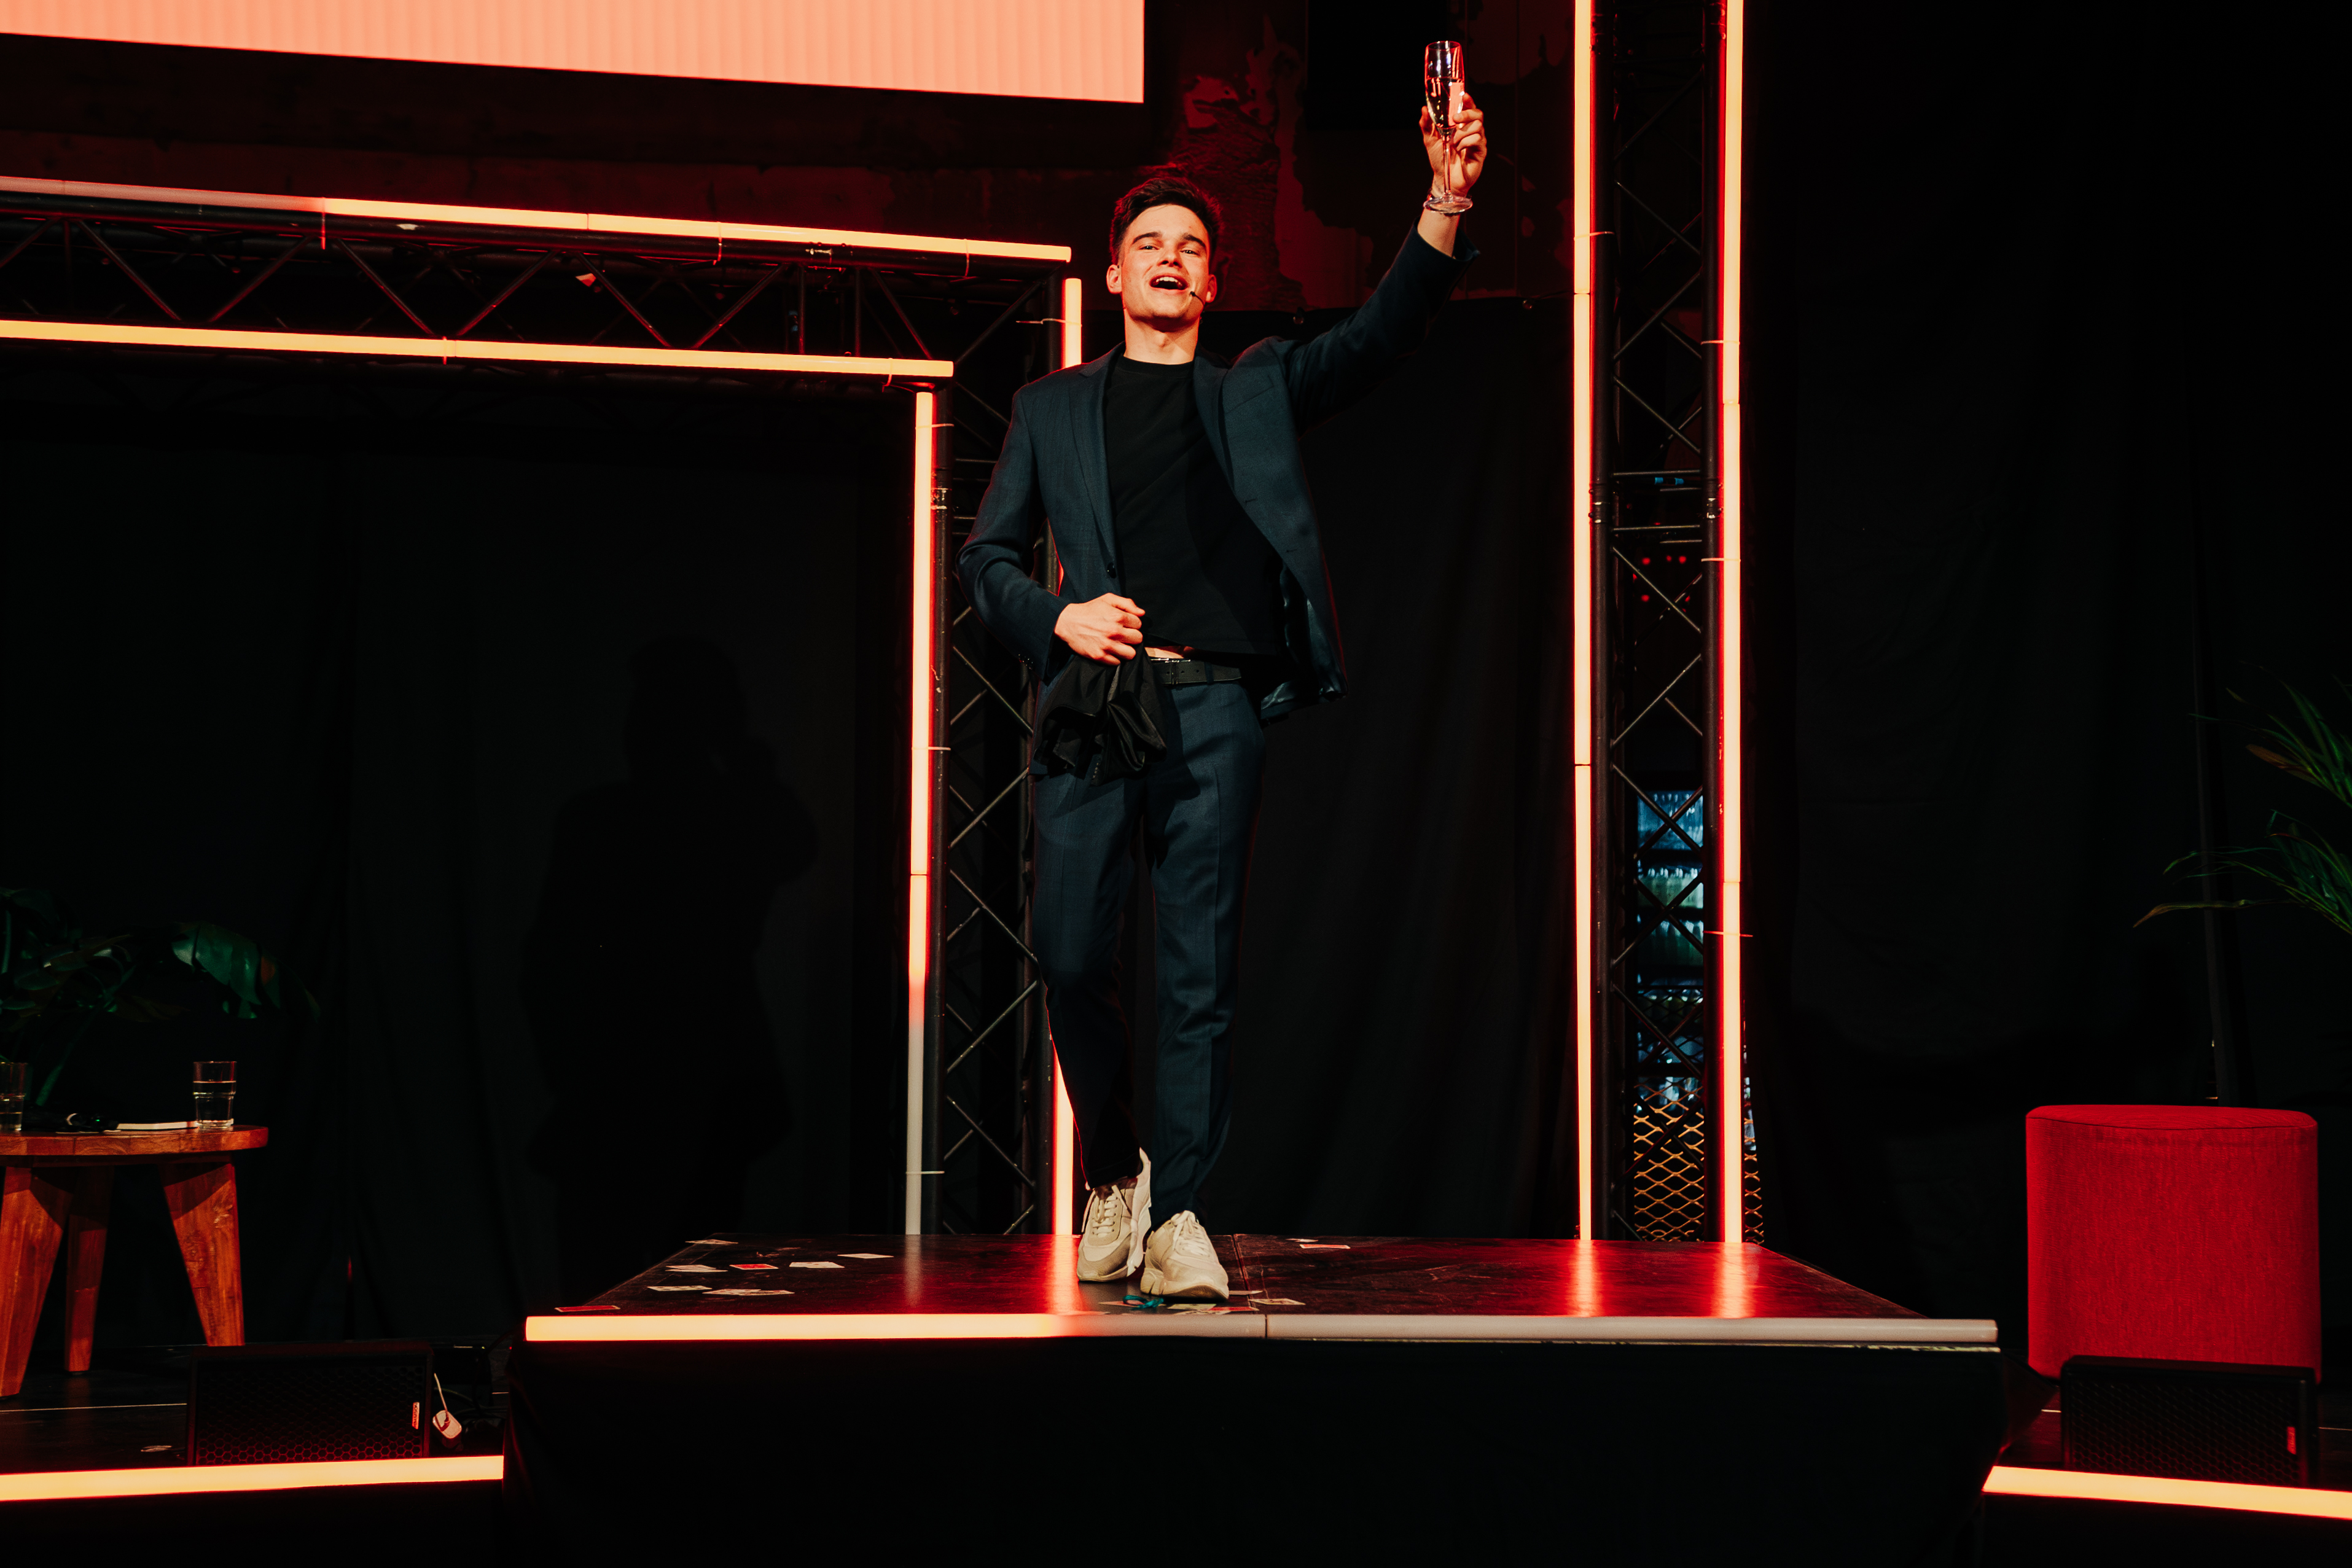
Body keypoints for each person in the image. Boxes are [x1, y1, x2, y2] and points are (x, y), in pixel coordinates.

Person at [958, 95, 1487, 1298]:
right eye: (1150, 242)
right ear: (1114, 271)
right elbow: (984, 563)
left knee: (1198, 971)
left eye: (1190, 247)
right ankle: (1113, 1173)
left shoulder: (1248, 388)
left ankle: (1183, 1209)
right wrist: (1058, 617)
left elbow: (1379, 333)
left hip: (1213, 710)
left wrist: (1444, 200)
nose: (1169, 259)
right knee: (1071, 949)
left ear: (1210, 280)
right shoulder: (1051, 408)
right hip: (1095, 701)